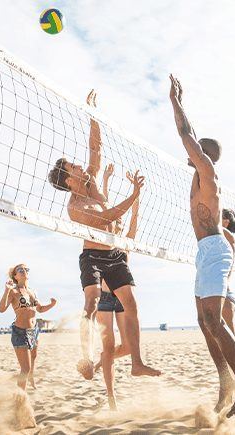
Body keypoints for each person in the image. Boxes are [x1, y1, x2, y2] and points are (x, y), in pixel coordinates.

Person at [48, 89, 160, 380]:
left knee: (132, 303)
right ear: (67, 179)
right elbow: (108, 217)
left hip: (114, 255)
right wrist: (133, 194)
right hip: (94, 257)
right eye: (73, 166)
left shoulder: (92, 182)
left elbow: (95, 149)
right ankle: (85, 357)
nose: (79, 166)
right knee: (93, 301)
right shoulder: (75, 207)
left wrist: (93, 114)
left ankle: (137, 363)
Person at [169, 74, 235, 418]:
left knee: (214, 320)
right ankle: (226, 382)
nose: (188, 151)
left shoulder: (206, 169)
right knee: (205, 322)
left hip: (215, 249)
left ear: (202, 154)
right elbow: (189, 140)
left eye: (194, 148)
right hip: (204, 252)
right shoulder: (197, 174)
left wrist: (176, 101)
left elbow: (184, 134)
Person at [93, 163, 141, 410]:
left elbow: (133, 217)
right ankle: (111, 397)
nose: (118, 222)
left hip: (122, 297)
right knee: (108, 347)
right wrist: (106, 180)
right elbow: (105, 207)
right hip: (103, 297)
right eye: (116, 221)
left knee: (130, 345)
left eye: (120, 222)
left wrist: (136, 195)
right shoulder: (104, 238)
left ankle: (103, 361)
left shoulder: (127, 241)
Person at [0, 263, 57, 390]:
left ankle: (31, 377)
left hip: (34, 330)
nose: (24, 271)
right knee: (25, 368)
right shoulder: (13, 291)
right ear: (15, 276)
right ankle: (21, 398)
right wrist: (6, 290)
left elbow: (40, 309)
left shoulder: (32, 291)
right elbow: (1, 309)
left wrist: (52, 304)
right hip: (20, 332)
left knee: (34, 357)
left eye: (26, 269)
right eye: (20, 269)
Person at [221, 208, 235, 334]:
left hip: (225, 294)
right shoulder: (214, 238)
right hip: (213, 293)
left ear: (225, 222)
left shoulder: (228, 237)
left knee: (229, 343)